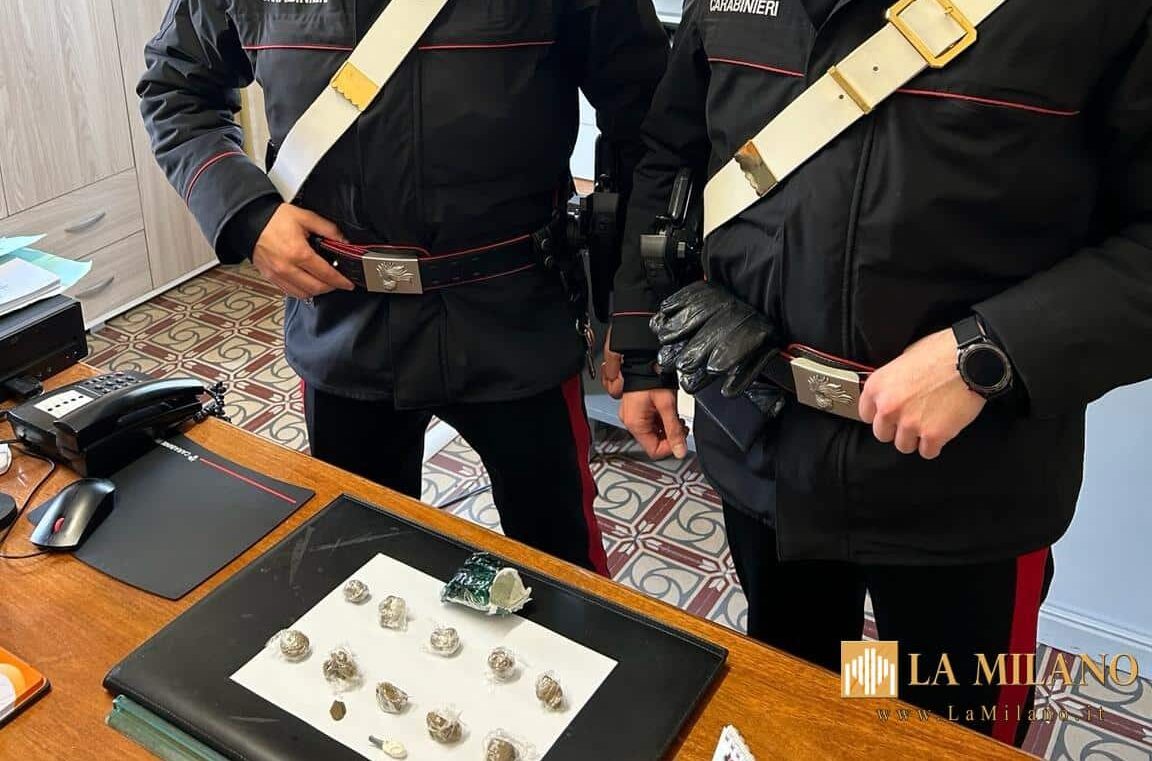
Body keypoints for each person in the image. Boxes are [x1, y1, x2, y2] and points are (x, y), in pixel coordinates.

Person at [611, 0, 1152, 746]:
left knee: (945, 723)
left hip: (968, 487)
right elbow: (672, 155)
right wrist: (642, 348)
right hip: (765, 450)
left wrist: (987, 353)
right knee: (801, 694)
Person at [137, 1, 669, 574]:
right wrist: (248, 215)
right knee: (359, 567)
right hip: (342, 325)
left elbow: (653, 128)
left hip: (518, 319)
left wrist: (635, 310)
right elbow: (175, 87)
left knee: (564, 568)